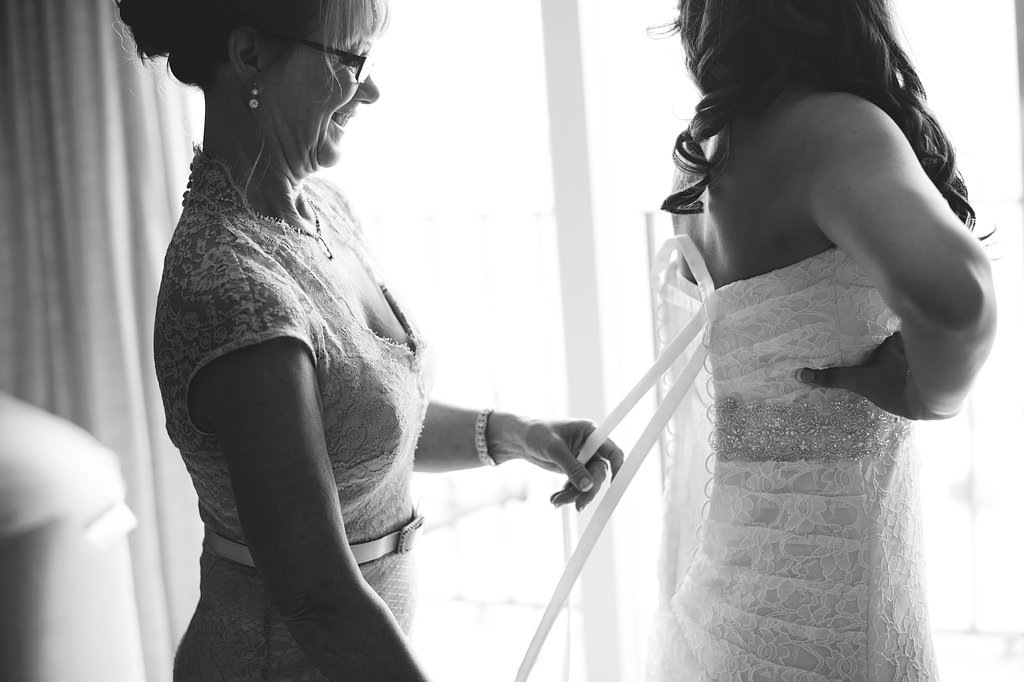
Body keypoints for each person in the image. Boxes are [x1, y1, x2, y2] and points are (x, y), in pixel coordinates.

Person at [115, 0, 623, 679]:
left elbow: (357, 428)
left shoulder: (323, 211)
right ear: (249, 56)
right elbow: (318, 599)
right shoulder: (230, 287)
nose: (372, 88)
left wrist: (518, 434)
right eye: (350, 60)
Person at [646, 1, 996, 680]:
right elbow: (960, 301)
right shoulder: (832, 130)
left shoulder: (709, 155)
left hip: (718, 597)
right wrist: (932, 394)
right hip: (828, 609)